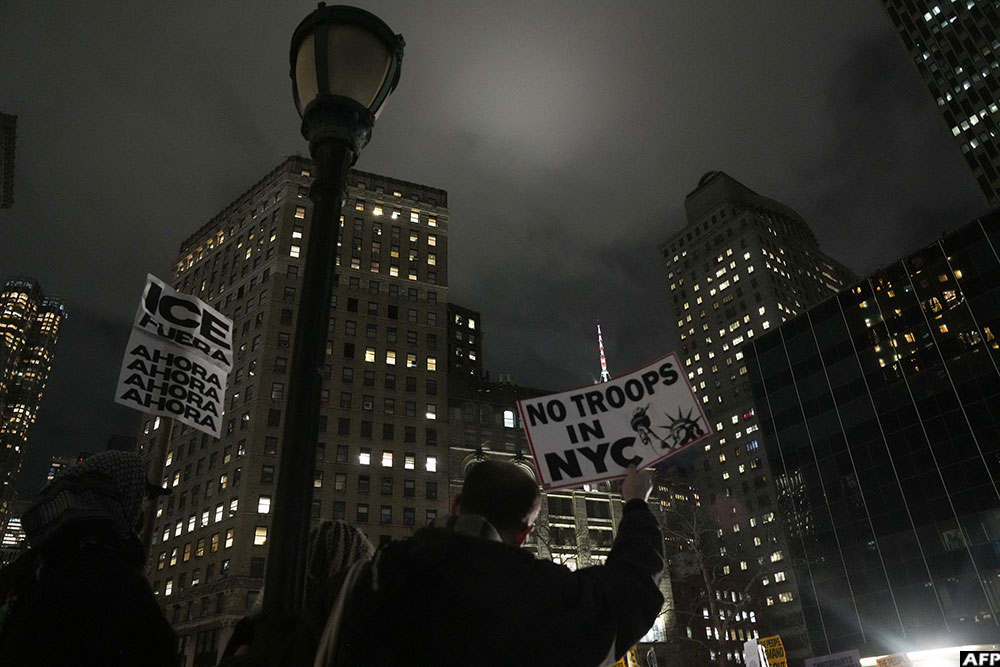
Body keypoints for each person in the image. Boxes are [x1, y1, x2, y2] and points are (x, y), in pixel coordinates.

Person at [327, 460, 664, 667]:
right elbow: (632, 590)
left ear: (457, 504)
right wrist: (635, 503)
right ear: (525, 533)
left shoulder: (373, 576)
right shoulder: (540, 593)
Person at [0, 450, 178, 667]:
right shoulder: (109, 574)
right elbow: (157, 651)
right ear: (119, 494)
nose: (140, 508)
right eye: (138, 495)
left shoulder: (30, 565)